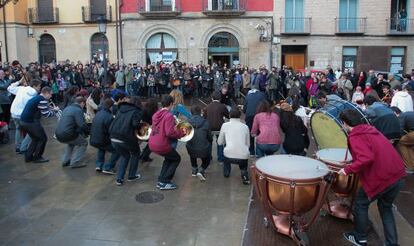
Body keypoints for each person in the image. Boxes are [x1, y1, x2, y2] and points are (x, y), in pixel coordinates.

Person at [338, 109, 405, 246]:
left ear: (345, 123)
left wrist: (347, 169)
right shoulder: (370, 129)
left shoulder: (355, 136)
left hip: (382, 178)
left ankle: (360, 238)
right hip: (397, 175)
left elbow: (367, 158)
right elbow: (371, 151)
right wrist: (352, 162)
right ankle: (392, 243)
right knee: (385, 207)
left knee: (360, 203)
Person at [149, 95, 187, 190]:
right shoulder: (168, 115)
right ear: (170, 104)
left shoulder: (156, 114)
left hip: (153, 142)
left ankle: (161, 179)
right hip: (161, 144)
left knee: (169, 158)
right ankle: (165, 181)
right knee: (176, 159)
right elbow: (169, 133)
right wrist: (181, 132)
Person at [109, 96, 143, 186]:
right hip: (125, 137)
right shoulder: (136, 111)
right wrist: (141, 125)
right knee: (136, 153)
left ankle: (119, 179)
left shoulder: (121, 109)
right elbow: (135, 124)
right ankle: (131, 175)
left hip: (113, 136)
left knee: (125, 156)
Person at [20, 87, 58, 163]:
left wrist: (50, 109)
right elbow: (46, 114)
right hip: (30, 122)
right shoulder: (42, 100)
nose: (51, 96)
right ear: (46, 93)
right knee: (43, 138)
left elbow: (42, 108)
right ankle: (37, 157)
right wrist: (55, 111)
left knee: (35, 139)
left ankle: (28, 157)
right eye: (50, 94)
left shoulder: (37, 97)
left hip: (24, 121)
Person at [217, 108, 250, 185]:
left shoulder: (225, 125)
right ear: (240, 116)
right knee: (243, 160)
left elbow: (219, 142)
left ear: (229, 115)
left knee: (226, 155)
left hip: (229, 155)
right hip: (243, 156)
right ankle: (244, 173)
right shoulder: (245, 126)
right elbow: (248, 144)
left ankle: (226, 173)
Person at [8, 78, 41, 153]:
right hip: (22, 114)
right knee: (31, 131)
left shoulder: (21, 88)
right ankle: (23, 147)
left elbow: (9, 88)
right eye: (39, 86)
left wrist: (18, 82)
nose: (40, 88)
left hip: (13, 112)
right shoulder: (34, 93)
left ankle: (18, 146)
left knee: (18, 129)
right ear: (34, 86)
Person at [55, 96, 89, 168]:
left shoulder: (67, 108)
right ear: (82, 103)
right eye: (84, 104)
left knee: (71, 143)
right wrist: (89, 131)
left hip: (58, 133)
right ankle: (75, 162)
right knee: (84, 142)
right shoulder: (78, 110)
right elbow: (82, 125)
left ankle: (65, 161)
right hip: (68, 134)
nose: (84, 106)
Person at [90, 98, 120, 174]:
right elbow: (112, 132)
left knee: (102, 147)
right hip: (102, 140)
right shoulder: (109, 117)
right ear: (110, 107)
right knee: (118, 150)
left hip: (93, 139)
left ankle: (99, 165)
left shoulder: (98, 113)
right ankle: (108, 167)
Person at [186, 105, 212, 181]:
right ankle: (202, 169)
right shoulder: (205, 122)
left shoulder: (187, 122)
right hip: (203, 149)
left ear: (191, 113)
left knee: (191, 147)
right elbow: (210, 137)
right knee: (207, 158)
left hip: (191, 149)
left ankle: (194, 169)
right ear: (200, 112)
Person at [205, 91, 229, 164]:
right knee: (220, 142)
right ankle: (220, 159)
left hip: (209, 127)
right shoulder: (222, 106)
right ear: (220, 98)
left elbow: (204, 117)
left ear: (212, 98)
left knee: (209, 142)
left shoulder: (208, 106)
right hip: (220, 127)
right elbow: (228, 116)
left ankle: (209, 158)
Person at [243, 85, 266, 156]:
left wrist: (245, 112)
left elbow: (245, 108)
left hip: (249, 115)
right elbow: (266, 105)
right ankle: (259, 152)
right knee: (260, 132)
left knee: (250, 133)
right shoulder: (262, 95)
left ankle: (251, 151)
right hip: (259, 115)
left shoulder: (248, 96)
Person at [140, 98, 159, 163]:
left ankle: (144, 155)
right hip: (149, 130)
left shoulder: (143, 109)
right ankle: (144, 156)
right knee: (153, 142)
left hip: (142, 129)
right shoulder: (154, 112)